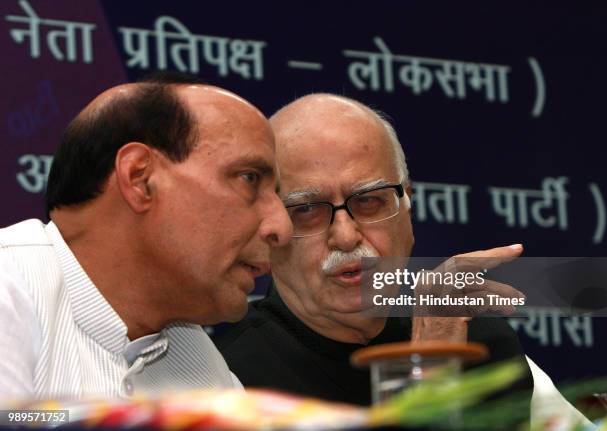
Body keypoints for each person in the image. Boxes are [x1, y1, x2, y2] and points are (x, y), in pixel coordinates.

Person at [214, 93, 532, 406]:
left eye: (368, 201)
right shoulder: (227, 380)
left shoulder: (480, 342)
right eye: (307, 211)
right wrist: (431, 369)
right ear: (271, 228)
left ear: (407, 205)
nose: (345, 236)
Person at [0, 74, 293, 399]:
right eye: (248, 179)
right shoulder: (9, 289)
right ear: (139, 178)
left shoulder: (197, 357)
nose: (282, 227)